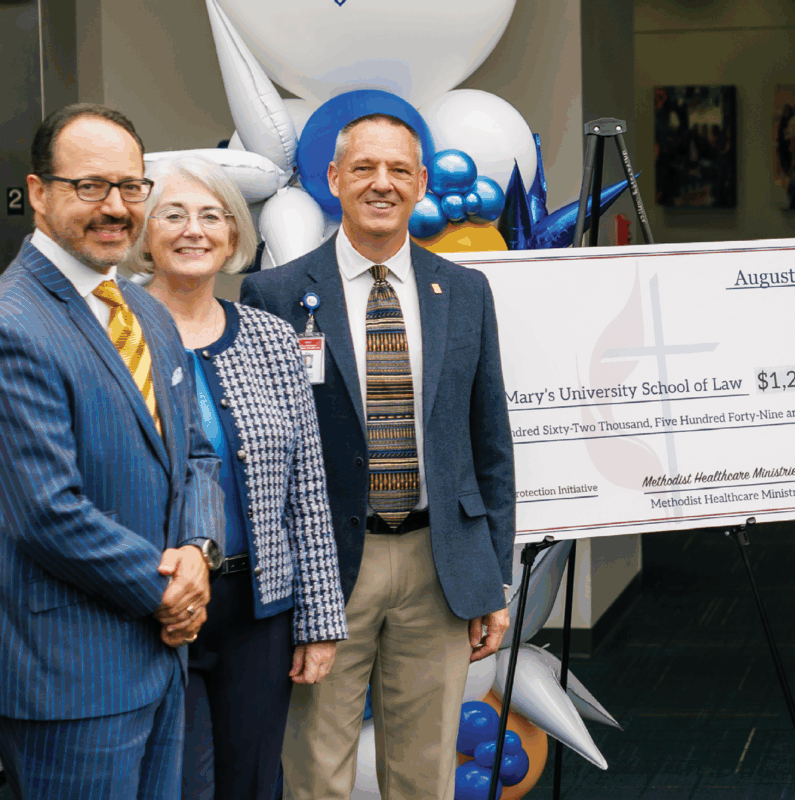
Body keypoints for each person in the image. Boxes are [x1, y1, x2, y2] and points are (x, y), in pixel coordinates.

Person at [241, 113, 516, 799]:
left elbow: (490, 443)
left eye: (399, 170)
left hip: (439, 564)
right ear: (335, 179)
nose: (382, 184)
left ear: (422, 182)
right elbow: (263, 458)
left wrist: (494, 577)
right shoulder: (274, 297)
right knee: (315, 773)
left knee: (424, 776)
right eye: (363, 168)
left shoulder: (466, 292)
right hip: (325, 571)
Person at [0, 104, 221, 799]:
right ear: (39, 193)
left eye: (131, 187)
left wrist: (198, 549)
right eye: (90, 187)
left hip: (160, 662)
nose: (116, 208)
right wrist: (170, 592)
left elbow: (194, 457)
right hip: (72, 677)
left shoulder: (144, 310)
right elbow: (45, 511)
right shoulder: (13, 323)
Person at [128, 156, 350, 800]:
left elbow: (306, 487)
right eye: (172, 214)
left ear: (233, 238)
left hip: (260, 603)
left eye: (212, 216)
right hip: (153, 605)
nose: (193, 230)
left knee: (253, 781)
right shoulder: (113, 332)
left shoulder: (273, 339)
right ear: (144, 232)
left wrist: (318, 621)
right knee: (175, 784)